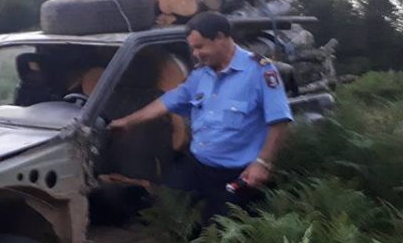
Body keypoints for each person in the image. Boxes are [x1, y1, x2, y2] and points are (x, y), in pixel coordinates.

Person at [109, 12, 292, 228]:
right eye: (193, 49)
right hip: (199, 166)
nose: (196, 54)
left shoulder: (260, 71)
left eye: (200, 47)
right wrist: (128, 122)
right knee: (170, 203)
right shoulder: (200, 75)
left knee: (223, 233)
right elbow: (166, 102)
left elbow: (279, 121)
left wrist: (262, 163)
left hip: (237, 174)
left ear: (221, 37)